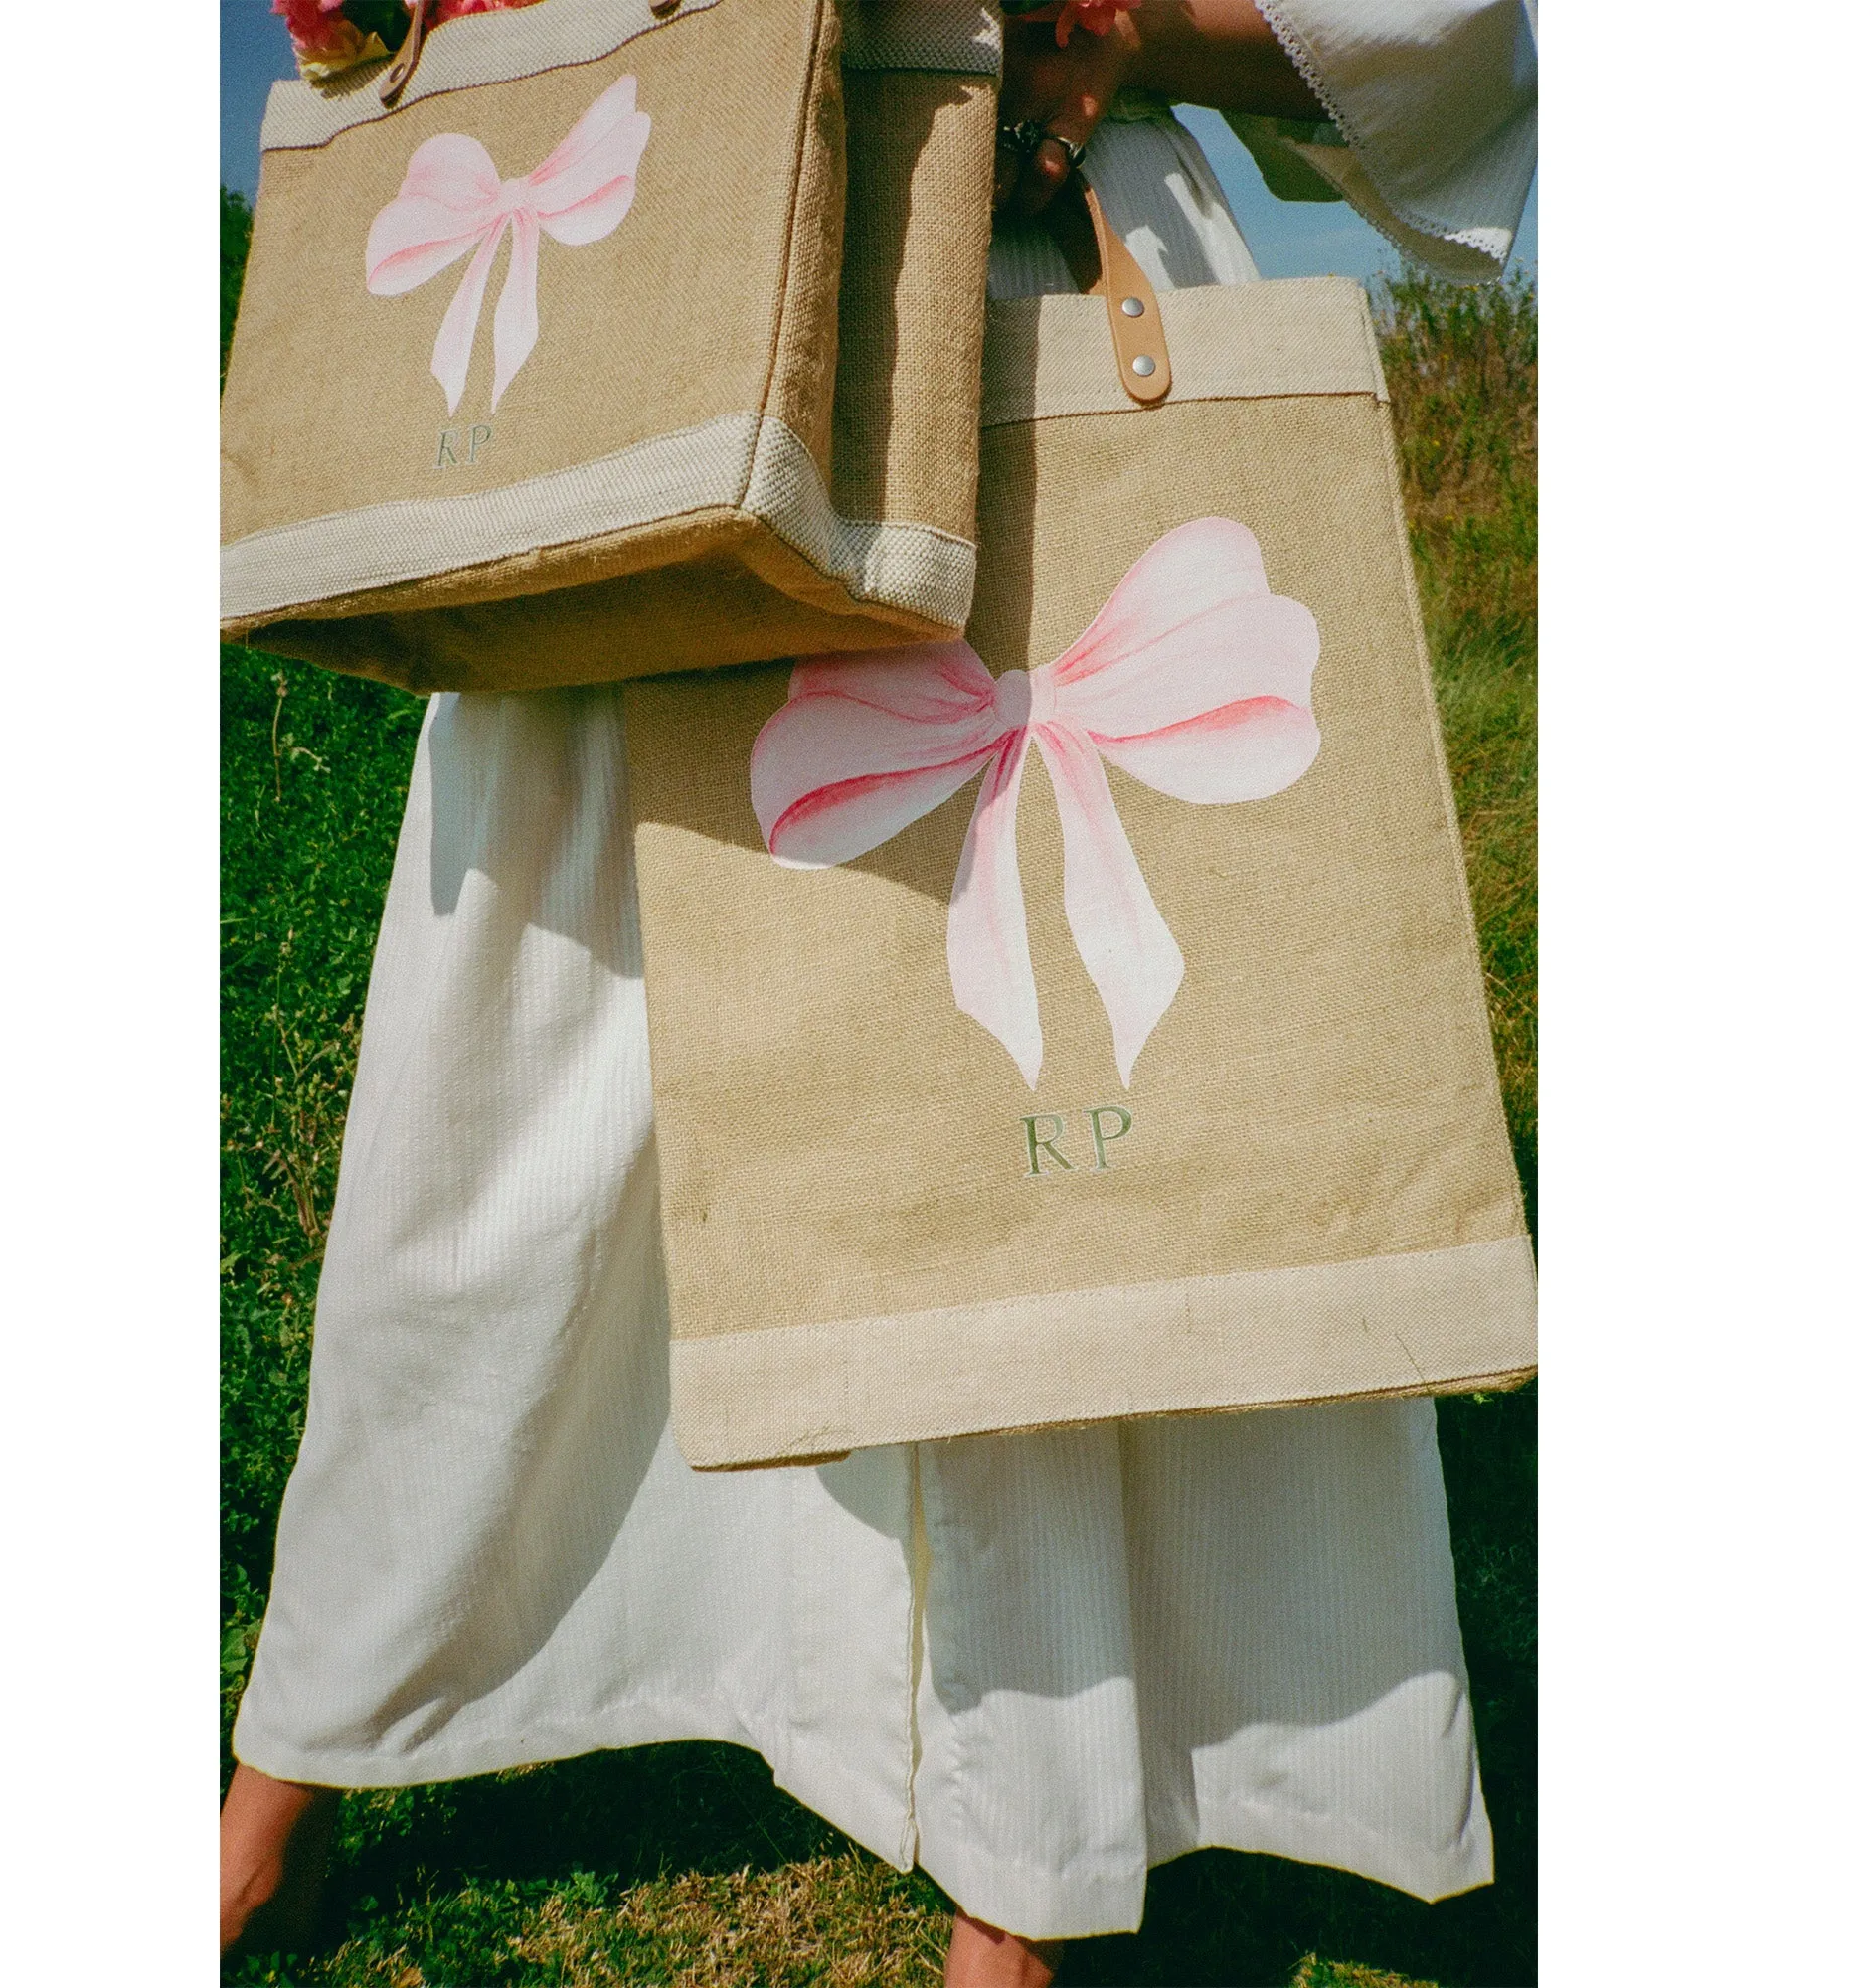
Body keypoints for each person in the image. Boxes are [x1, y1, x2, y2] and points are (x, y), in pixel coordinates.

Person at [221, 4, 1537, 1982]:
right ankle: (303, 1748)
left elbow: (1434, 22)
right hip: (651, 314)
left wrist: (1113, 14)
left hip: (999, 259)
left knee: (1005, 1098)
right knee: (502, 1079)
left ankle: (1025, 1866)